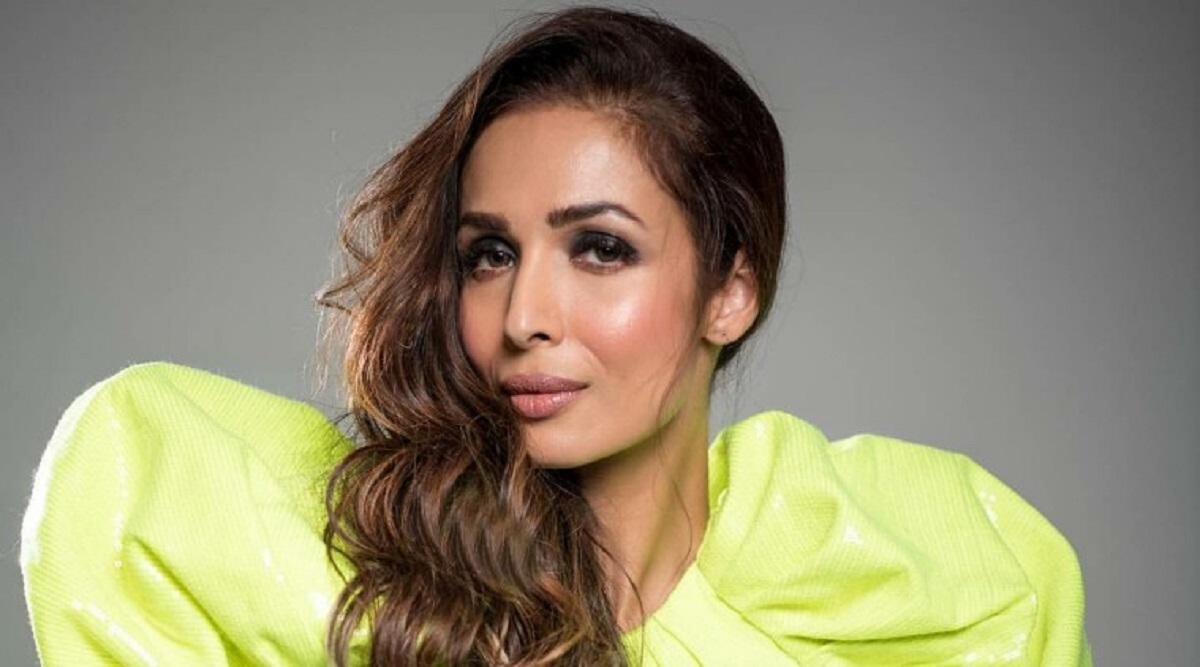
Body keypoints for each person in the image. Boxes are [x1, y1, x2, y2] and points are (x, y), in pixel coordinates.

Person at [21, 6, 1089, 666]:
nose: (524, 314)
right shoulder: (323, 574)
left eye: (600, 249)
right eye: (490, 253)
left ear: (731, 292)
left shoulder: (882, 589)